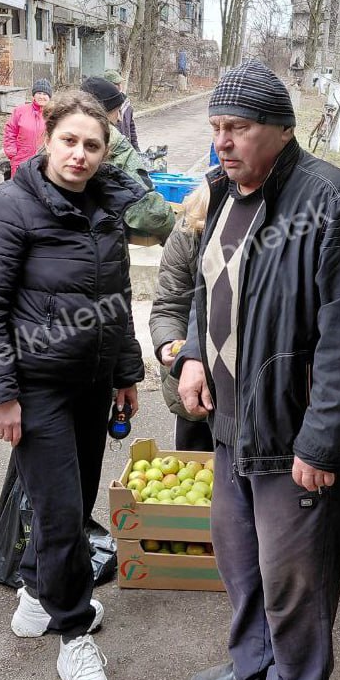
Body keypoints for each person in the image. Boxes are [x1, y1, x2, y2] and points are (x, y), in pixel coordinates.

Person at [174, 60, 340, 680]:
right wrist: (195, 357)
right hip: (233, 423)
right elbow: (209, 289)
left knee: (297, 578)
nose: (222, 141)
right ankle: (254, 665)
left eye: (237, 128)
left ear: (281, 129)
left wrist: (323, 442)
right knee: (240, 559)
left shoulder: (335, 206)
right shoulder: (224, 194)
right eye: (216, 127)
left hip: (293, 434)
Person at [0, 91, 145, 680]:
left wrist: (125, 372)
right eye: (69, 141)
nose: (80, 155)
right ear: (47, 140)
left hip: (91, 383)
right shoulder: (6, 206)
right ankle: (74, 635)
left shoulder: (105, 207)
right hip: (35, 386)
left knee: (72, 500)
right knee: (63, 512)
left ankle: (37, 594)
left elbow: (117, 298)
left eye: (93, 145)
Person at [149, 181, 214, 452]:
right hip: (193, 386)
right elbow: (170, 304)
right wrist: (168, 342)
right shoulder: (189, 229)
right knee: (196, 464)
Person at [81, 76, 174, 244]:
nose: (118, 119)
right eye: (116, 111)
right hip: (101, 245)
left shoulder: (56, 141)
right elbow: (145, 209)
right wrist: (174, 226)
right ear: (103, 112)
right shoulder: (115, 144)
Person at [2, 79, 52, 177]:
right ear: (33, 95)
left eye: (45, 94)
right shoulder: (20, 111)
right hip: (21, 160)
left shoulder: (53, 114)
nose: (42, 96)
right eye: (39, 93)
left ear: (49, 97)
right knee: (19, 186)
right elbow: (10, 131)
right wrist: (12, 153)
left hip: (44, 162)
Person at [103, 68, 139, 150]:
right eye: (116, 84)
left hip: (127, 149)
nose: (120, 86)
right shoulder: (104, 106)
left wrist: (136, 148)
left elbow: (132, 128)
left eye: (120, 83)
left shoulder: (126, 103)